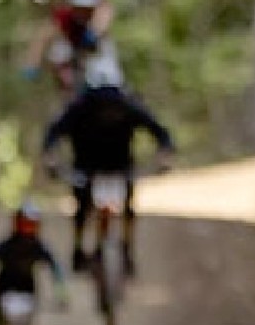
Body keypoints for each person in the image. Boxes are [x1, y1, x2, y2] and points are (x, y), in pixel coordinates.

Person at [41, 56, 175, 278]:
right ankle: (79, 249)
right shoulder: (81, 106)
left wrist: (165, 153)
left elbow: (158, 130)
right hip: (88, 169)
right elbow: (54, 132)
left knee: (126, 207)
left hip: (118, 168)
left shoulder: (125, 105)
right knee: (83, 208)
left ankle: (126, 249)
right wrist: (50, 157)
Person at [0, 201, 67, 325]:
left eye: (30, 224)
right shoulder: (5, 246)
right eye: (24, 223)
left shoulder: (39, 248)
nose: (27, 228)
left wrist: (62, 294)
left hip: (28, 290)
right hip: (3, 289)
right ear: (16, 223)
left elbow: (56, 270)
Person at [23, 0, 116, 93]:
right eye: (79, 7)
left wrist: (93, 34)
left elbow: (102, 22)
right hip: (71, 55)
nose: (82, 12)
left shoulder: (102, 11)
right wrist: (32, 64)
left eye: (87, 8)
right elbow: (42, 38)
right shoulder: (64, 17)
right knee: (60, 55)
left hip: (96, 57)